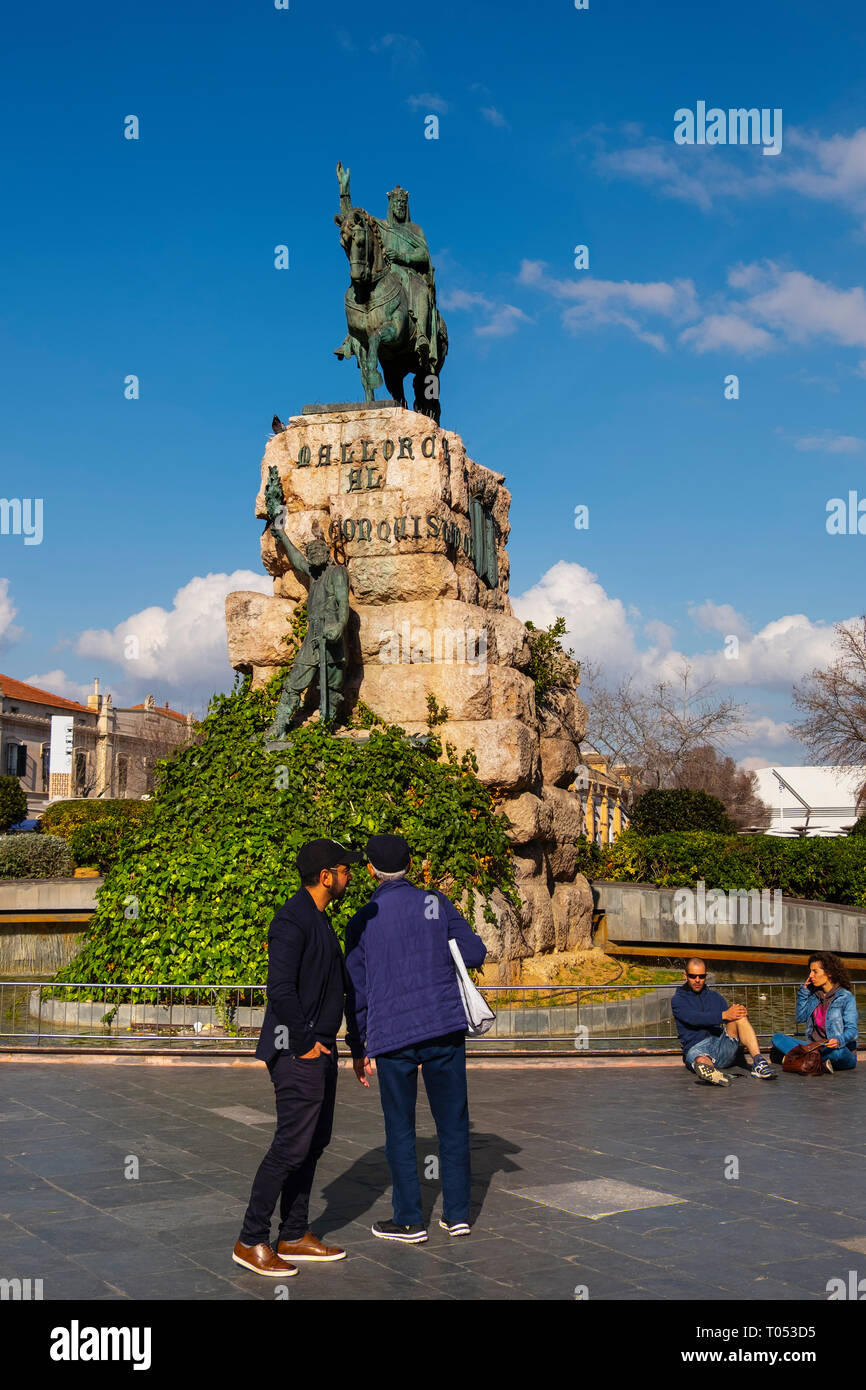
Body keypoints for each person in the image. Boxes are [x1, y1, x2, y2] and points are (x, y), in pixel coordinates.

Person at [344, 834, 487, 1242]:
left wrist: (359, 1046)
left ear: (371, 870)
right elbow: (474, 953)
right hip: (443, 1025)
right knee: (454, 1123)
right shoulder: (434, 903)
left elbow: (356, 990)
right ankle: (457, 1214)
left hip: (392, 1036)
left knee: (400, 1127)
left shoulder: (363, 918)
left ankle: (409, 1219)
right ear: (411, 863)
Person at [232, 837, 362, 1277]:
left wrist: (354, 1047)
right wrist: (304, 1042)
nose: (350, 877)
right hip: (297, 1052)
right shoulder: (292, 920)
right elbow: (280, 990)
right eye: (345, 871)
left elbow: (339, 989)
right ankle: (251, 1239)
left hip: (320, 1050)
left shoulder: (320, 921)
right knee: (290, 1146)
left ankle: (293, 1233)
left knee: (312, 1143)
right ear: (326, 877)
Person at [671, 956, 776, 1085]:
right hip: (696, 1047)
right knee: (701, 1060)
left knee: (738, 1015)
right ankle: (711, 1072)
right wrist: (724, 1015)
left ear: (706, 976)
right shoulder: (678, 1000)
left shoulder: (715, 997)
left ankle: (759, 1061)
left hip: (721, 1044)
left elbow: (730, 1018)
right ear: (685, 976)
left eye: (701, 976)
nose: (697, 980)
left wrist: (741, 1014)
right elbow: (694, 1018)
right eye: (693, 976)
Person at [771, 952, 859, 1073]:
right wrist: (804, 992)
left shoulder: (846, 997)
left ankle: (803, 1060)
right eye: (810, 971)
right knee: (777, 1038)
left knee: (838, 1053)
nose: (811, 975)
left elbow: (852, 1031)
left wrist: (839, 1040)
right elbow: (800, 1018)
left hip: (837, 1049)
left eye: (815, 971)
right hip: (814, 1048)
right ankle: (818, 1063)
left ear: (829, 973)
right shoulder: (814, 996)